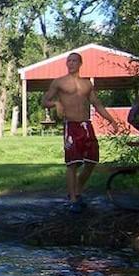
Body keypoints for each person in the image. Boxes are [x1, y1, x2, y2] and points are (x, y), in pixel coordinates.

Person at [42, 52, 119, 213]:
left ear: (80, 63)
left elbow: (97, 103)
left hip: (86, 125)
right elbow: (44, 101)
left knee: (92, 160)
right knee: (73, 163)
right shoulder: (59, 82)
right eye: (68, 61)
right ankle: (73, 199)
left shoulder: (87, 84)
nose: (70, 63)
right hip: (71, 125)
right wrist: (56, 103)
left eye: (74, 61)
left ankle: (77, 190)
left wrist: (111, 120)